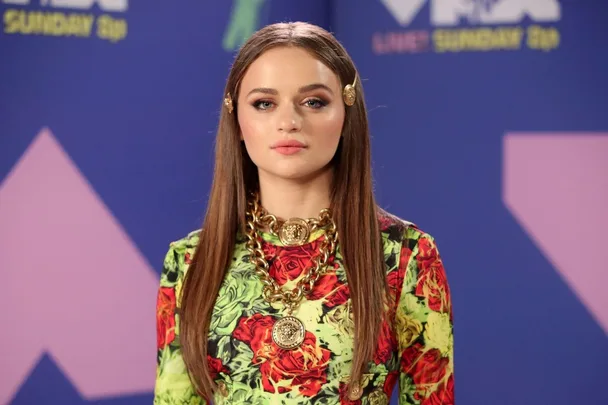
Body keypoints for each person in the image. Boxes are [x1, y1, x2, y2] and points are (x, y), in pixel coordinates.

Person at [154, 21, 454, 405]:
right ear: (237, 120)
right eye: (264, 103)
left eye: (314, 101)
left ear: (347, 115)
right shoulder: (191, 261)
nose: (289, 121)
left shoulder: (406, 255)